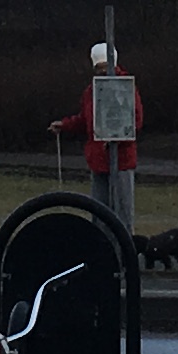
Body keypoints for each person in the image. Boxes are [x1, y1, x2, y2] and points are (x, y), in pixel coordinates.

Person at [51, 41, 142, 236]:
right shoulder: (91, 91)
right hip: (98, 160)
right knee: (99, 211)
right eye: (98, 68)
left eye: (105, 67)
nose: (101, 72)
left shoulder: (125, 88)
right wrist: (65, 125)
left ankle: (124, 248)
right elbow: (86, 119)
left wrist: (116, 139)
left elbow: (135, 120)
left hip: (121, 160)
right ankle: (101, 247)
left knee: (122, 212)